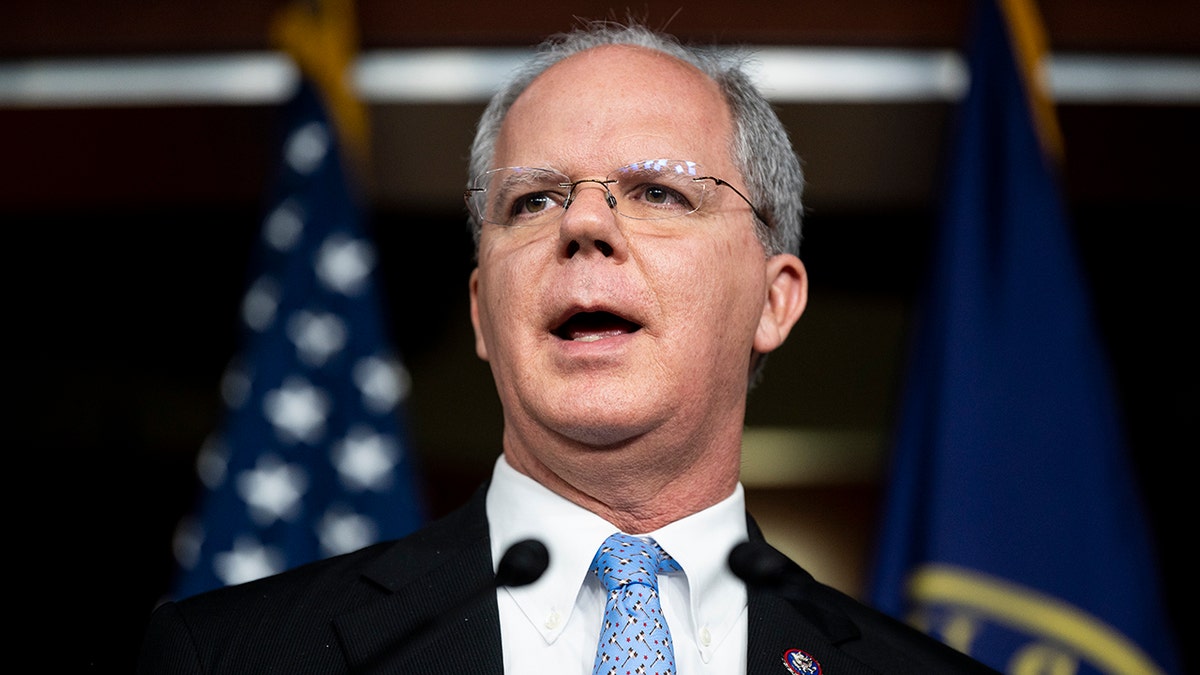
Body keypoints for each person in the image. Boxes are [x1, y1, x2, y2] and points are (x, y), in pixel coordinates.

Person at [137, 19, 998, 674]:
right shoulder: (222, 656)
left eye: (659, 191)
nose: (585, 222)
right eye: (533, 201)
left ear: (774, 301)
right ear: (481, 312)